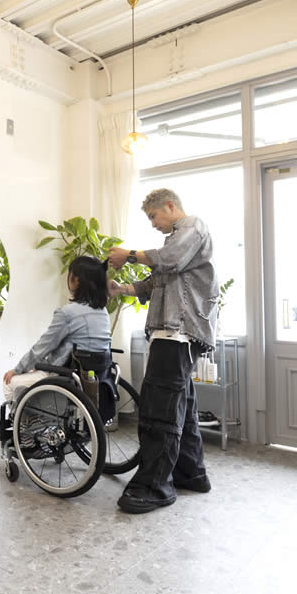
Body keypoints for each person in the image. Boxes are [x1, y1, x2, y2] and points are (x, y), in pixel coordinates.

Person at [108, 188, 218, 514]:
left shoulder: (193, 228)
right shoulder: (176, 240)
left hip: (178, 332)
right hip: (173, 333)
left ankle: (154, 486)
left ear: (170, 206)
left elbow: (169, 260)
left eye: (154, 216)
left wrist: (128, 254)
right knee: (180, 406)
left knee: (160, 409)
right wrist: (123, 289)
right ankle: (191, 473)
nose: (153, 224)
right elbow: (156, 279)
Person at [3, 256, 112, 401]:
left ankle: (26, 421)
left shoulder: (68, 313)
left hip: (68, 377)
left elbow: (43, 346)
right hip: (96, 378)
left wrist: (17, 370)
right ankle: (30, 416)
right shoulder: (103, 312)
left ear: (77, 280)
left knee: (10, 382)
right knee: (31, 377)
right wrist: (43, 366)